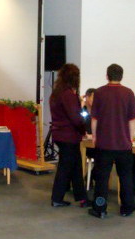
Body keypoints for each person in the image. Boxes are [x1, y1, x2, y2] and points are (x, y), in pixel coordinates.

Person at [89, 64, 135, 218]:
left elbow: (94, 119)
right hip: (123, 145)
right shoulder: (129, 93)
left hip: (104, 145)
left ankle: (100, 208)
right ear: (121, 76)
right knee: (125, 177)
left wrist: (95, 137)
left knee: (102, 179)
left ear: (107, 76)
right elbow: (133, 120)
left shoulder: (99, 93)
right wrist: (130, 138)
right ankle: (127, 208)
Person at [49, 64, 90, 207]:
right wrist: (84, 130)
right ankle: (57, 198)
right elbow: (76, 118)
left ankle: (82, 198)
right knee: (66, 168)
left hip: (60, 134)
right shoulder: (68, 95)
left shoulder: (56, 93)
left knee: (75, 167)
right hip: (68, 136)